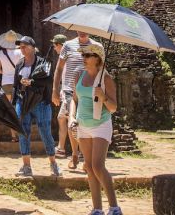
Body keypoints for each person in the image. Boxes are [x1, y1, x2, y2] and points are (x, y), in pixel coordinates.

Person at [69, 41, 121, 215]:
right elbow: (74, 99)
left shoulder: (106, 79)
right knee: (89, 167)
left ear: (97, 58)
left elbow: (113, 108)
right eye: (82, 55)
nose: (83, 58)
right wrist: (71, 117)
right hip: (83, 125)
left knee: (98, 166)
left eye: (87, 55)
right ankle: (97, 208)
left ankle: (114, 207)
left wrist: (103, 96)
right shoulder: (79, 75)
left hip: (101, 124)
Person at [12, 36, 61, 177]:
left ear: (33, 47)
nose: (22, 49)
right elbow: (16, 85)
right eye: (20, 47)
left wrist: (31, 82)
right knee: (23, 132)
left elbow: (48, 80)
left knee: (45, 131)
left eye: (25, 46)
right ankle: (26, 166)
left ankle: (53, 164)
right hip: (23, 101)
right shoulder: (19, 64)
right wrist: (14, 103)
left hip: (40, 102)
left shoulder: (43, 62)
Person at [52, 30, 93, 170]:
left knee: (86, 123)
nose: (82, 32)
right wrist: (55, 90)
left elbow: (99, 68)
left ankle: (85, 156)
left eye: (85, 28)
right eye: (79, 29)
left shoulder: (96, 47)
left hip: (88, 90)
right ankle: (75, 154)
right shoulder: (68, 45)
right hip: (70, 89)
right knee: (72, 122)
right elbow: (59, 68)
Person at [49, 34, 69, 158]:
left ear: (60, 45)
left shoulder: (67, 58)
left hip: (71, 93)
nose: (54, 48)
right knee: (63, 118)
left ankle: (63, 148)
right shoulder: (64, 58)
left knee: (64, 118)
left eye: (55, 45)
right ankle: (62, 148)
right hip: (66, 92)